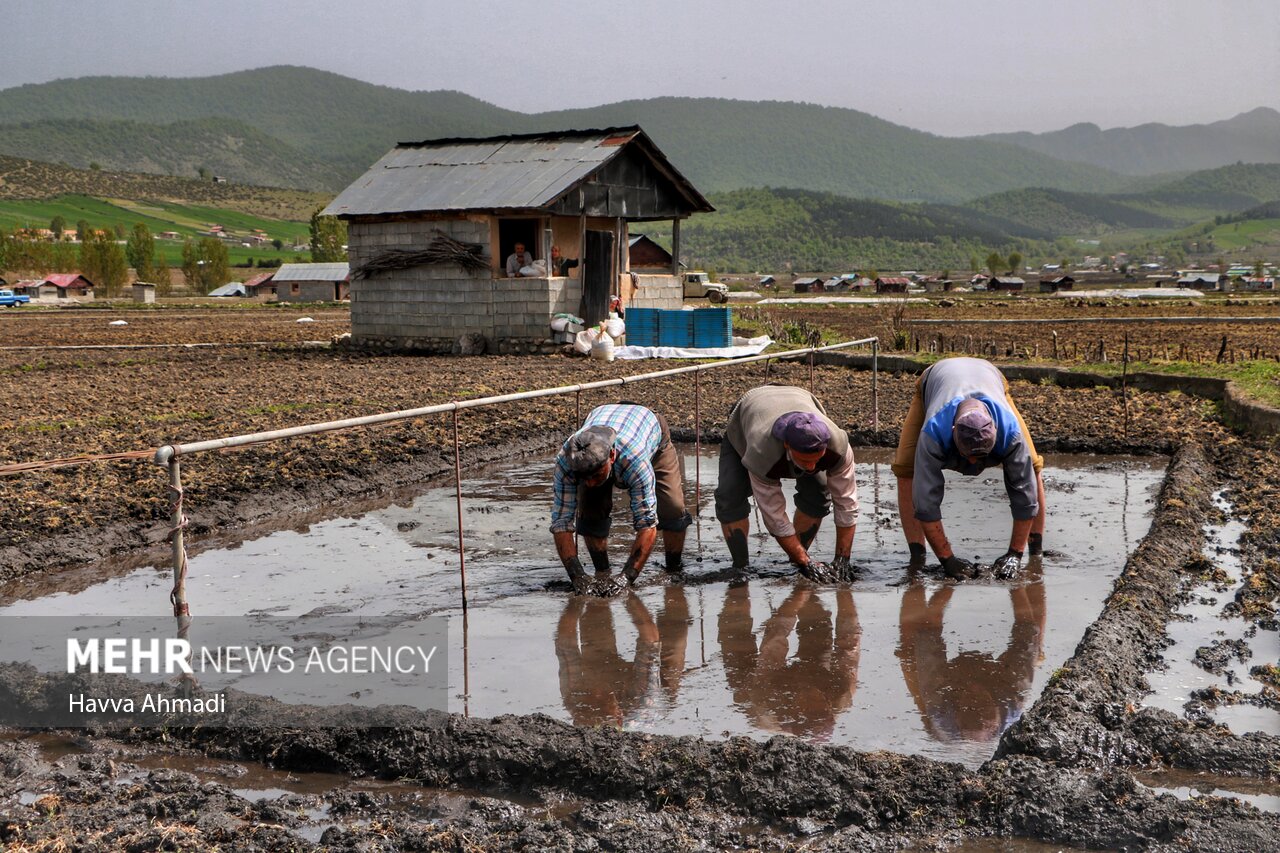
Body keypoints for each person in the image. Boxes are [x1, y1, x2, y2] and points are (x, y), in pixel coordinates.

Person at [892, 356, 1046, 580]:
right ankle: (918, 556)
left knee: (1032, 465)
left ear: (994, 431)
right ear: (953, 431)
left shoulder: (1010, 432)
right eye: (968, 457)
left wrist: (1015, 554)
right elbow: (926, 504)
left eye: (981, 457)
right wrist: (948, 560)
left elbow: (1025, 496)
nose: (974, 466)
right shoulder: (933, 433)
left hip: (990, 378)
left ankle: (1035, 550)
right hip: (935, 379)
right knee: (906, 468)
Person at [715, 385, 859, 582]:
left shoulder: (839, 445)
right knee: (730, 494)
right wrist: (805, 563)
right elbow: (774, 516)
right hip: (747, 417)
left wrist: (843, 558)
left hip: (799, 398)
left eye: (817, 459)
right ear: (787, 445)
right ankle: (740, 566)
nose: (811, 467)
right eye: (805, 460)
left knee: (818, 494)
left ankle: (795, 561)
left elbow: (847, 502)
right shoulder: (761, 452)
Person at [897, 557, 1046, 743]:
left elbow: (929, 631)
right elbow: (1027, 630)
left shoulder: (940, 706)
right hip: (989, 684)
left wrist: (947, 587)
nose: (975, 692)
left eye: (971, 704)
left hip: (946, 697)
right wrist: (1016, 585)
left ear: (958, 709)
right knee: (1033, 645)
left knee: (910, 651)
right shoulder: (1013, 701)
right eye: (981, 703)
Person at [551, 403, 692, 594]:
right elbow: (561, 522)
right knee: (590, 513)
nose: (590, 483)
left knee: (672, 508)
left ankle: (674, 568)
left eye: (596, 475)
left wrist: (627, 577)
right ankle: (602, 571)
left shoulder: (635, 460)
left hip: (650, 428)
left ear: (611, 455)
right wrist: (577, 576)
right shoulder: (567, 461)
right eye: (585, 477)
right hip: (601, 417)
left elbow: (646, 523)